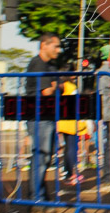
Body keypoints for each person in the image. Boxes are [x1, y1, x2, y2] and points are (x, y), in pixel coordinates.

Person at [26, 33, 62, 201]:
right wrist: (56, 85)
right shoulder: (38, 64)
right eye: (55, 46)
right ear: (44, 45)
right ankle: (36, 196)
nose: (58, 50)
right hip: (39, 116)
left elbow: (59, 87)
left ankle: (39, 193)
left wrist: (56, 85)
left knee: (45, 156)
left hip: (47, 115)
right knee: (41, 155)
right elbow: (47, 91)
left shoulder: (50, 66)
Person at [56, 76, 88, 186]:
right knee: (72, 148)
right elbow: (76, 103)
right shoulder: (72, 87)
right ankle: (71, 174)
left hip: (62, 120)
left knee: (67, 148)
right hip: (71, 121)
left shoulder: (60, 87)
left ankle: (67, 173)